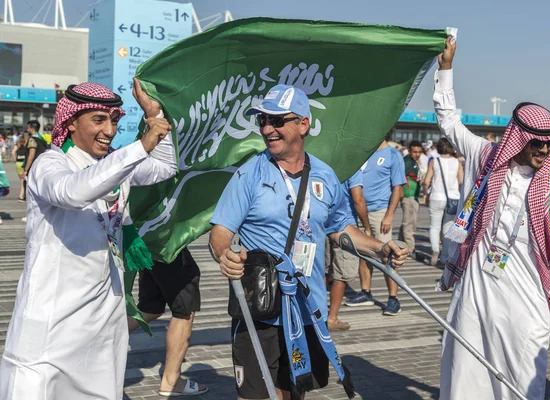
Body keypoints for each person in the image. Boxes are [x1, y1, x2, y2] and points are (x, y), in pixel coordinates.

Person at [209, 84, 408, 400]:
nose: (267, 129)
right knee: (254, 396)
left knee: (294, 392)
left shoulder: (326, 176)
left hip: (307, 306)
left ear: (303, 124)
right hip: (261, 305)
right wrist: (225, 254)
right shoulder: (249, 173)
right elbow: (220, 233)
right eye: (262, 120)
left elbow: (340, 229)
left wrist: (379, 248)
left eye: (277, 121)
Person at [434, 37, 550, 400]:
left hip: (528, 292)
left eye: (549, 143)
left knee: (525, 369)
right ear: (518, 139)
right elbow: (449, 123)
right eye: (536, 143)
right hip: (478, 285)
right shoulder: (485, 158)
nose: (544, 150)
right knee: (466, 365)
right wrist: (446, 68)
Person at [0, 80, 177, 400]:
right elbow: (73, 192)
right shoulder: (50, 164)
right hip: (51, 328)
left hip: (102, 325)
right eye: (98, 120)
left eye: (114, 121)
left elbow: (165, 167)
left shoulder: (114, 165)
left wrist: (154, 115)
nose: (109, 130)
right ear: (70, 123)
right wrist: (139, 147)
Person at [128, 247, 208, 396]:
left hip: (147, 244)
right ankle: (172, 381)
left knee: (150, 308)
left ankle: (97, 339)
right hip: (168, 244)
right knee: (185, 311)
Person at [345, 136, 406, 315]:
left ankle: (393, 298)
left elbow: (398, 188)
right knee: (364, 252)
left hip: (380, 212)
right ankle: (366, 292)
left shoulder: (393, 155)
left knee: (387, 256)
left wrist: (389, 215)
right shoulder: (363, 153)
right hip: (358, 210)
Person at [325, 166, 371, 331]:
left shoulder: (326, 165)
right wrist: (366, 226)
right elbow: (358, 199)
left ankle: (320, 313)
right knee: (341, 275)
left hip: (323, 223)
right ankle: (332, 318)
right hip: (344, 225)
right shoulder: (353, 169)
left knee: (324, 271)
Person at [422, 138, 463, 266]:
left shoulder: (434, 161)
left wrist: (425, 193)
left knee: (434, 226)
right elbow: (461, 181)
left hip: (436, 197)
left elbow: (426, 181)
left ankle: (435, 250)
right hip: (453, 198)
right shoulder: (457, 163)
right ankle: (445, 256)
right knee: (447, 227)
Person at [400, 140, 423, 256]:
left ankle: (400, 243)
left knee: (407, 223)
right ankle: (410, 249)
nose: (417, 154)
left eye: (419, 152)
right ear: (409, 151)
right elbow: (400, 177)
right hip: (408, 197)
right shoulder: (408, 162)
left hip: (413, 197)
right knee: (409, 225)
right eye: (415, 152)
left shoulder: (413, 161)